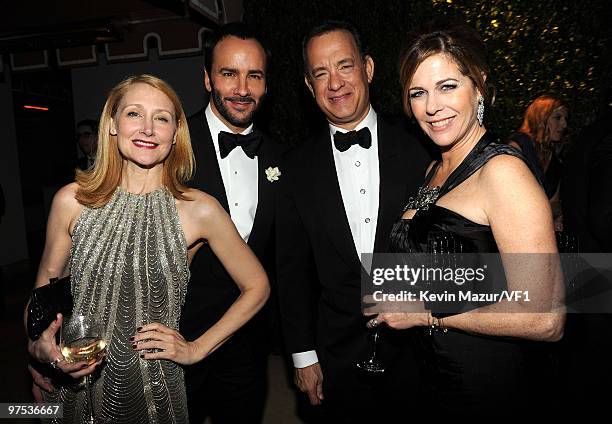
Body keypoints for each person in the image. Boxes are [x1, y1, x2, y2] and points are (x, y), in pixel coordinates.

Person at [25, 74, 270, 424]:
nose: (148, 128)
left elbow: (257, 286)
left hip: (154, 393)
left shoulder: (199, 209)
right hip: (75, 385)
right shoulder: (71, 201)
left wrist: (196, 348)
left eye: (162, 118)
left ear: (175, 134)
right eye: (134, 114)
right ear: (112, 124)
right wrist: (38, 349)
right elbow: (41, 298)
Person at [371, 20, 565, 416]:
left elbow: (547, 318)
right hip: (434, 378)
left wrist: (426, 313)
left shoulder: (502, 173)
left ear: (478, 85)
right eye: (418, 93)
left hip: (486, 388)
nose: (431, 106)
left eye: (447, 87)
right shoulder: (433, 170)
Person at [276, 20, 430, 422]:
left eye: (344, 66)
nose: (335, 83)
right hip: (336, 355)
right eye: (320, 73)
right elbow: (292, 272)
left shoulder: (422, 148)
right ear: (309, 86)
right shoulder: (294, 168)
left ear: (369, 69)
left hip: (420, 351)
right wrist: (302, 354)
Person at [179, 22, 282, 424]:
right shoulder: (171, 145)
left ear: (266, 83)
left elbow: (288, 256)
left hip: (248, 344)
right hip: (174, 338)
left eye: (254, 75)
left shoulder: (278, 156)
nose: (242, 88)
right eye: (228, 73)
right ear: (207, 79)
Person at [508, 95, 569, 230]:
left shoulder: (555, 155)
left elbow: (554, 202)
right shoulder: (519, 146)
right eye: (557, 118)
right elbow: (509, 200)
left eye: (565, 119)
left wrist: (557, 217)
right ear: (540, 118)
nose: (564, 124)